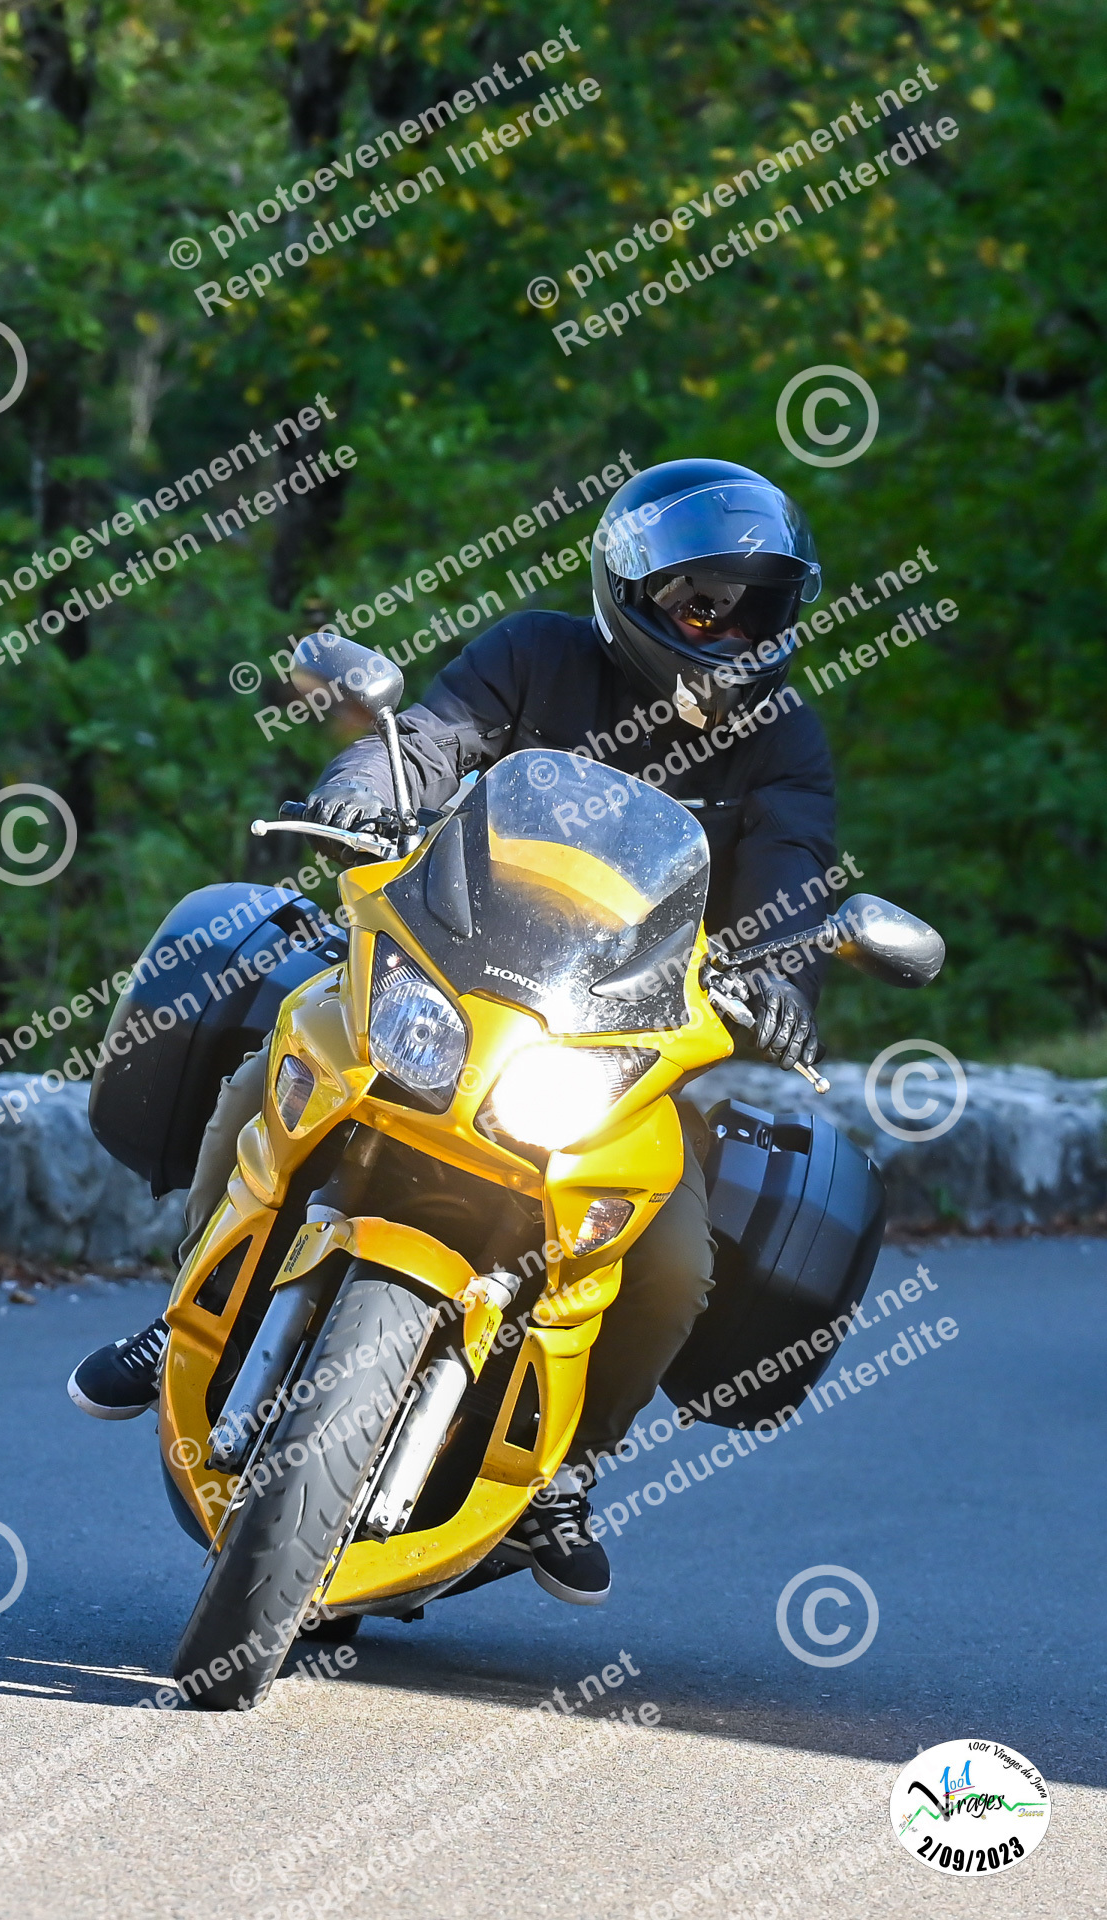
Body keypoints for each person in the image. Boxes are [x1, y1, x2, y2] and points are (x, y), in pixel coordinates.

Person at [69, 457, 836, 1609]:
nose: (724, 632)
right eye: (699, 605)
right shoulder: (534, 654)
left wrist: (781, 976)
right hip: (453, 981)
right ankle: (190, 1308)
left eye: (751, 610)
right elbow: (426, 740)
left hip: (614, 1047)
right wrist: (359, 791)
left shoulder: (784, 739)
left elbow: (792, 870)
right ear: (632, 590)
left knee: (673, 1257)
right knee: (280, 1063)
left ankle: (565, 1470)